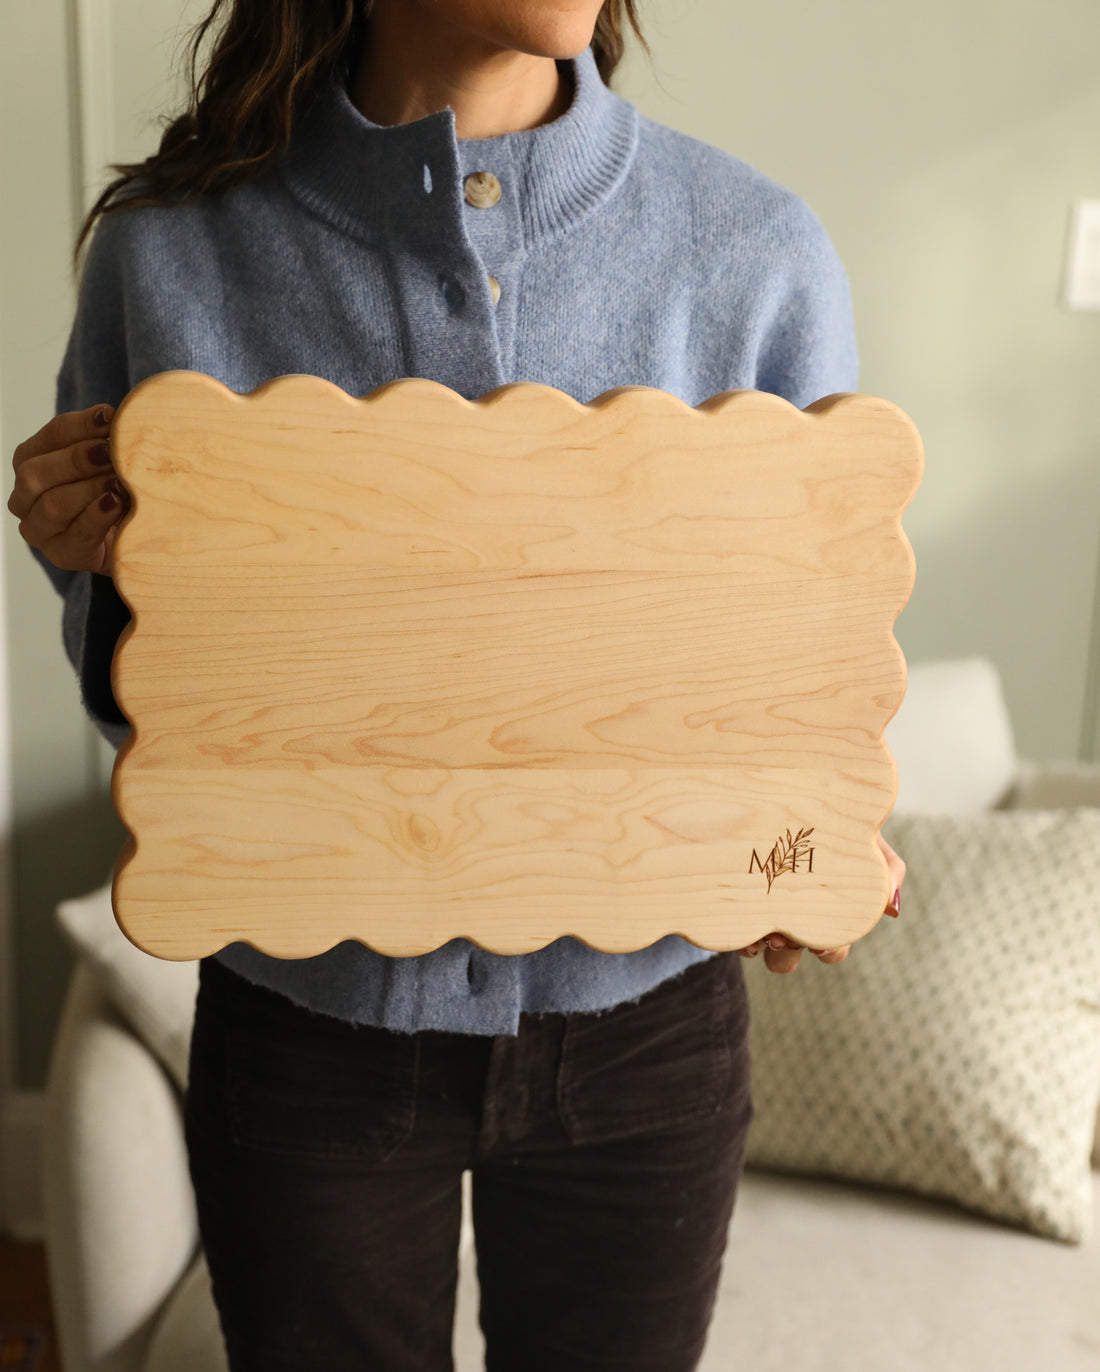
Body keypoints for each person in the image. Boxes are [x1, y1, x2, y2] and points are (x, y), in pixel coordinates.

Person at [9, 2, 906, 1368]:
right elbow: (165, 727)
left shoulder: (757, 254)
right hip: (310, 1038)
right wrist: (99, 572)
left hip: (645, 1042)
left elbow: (795, 676)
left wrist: (791, 853)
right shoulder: (170, 256)